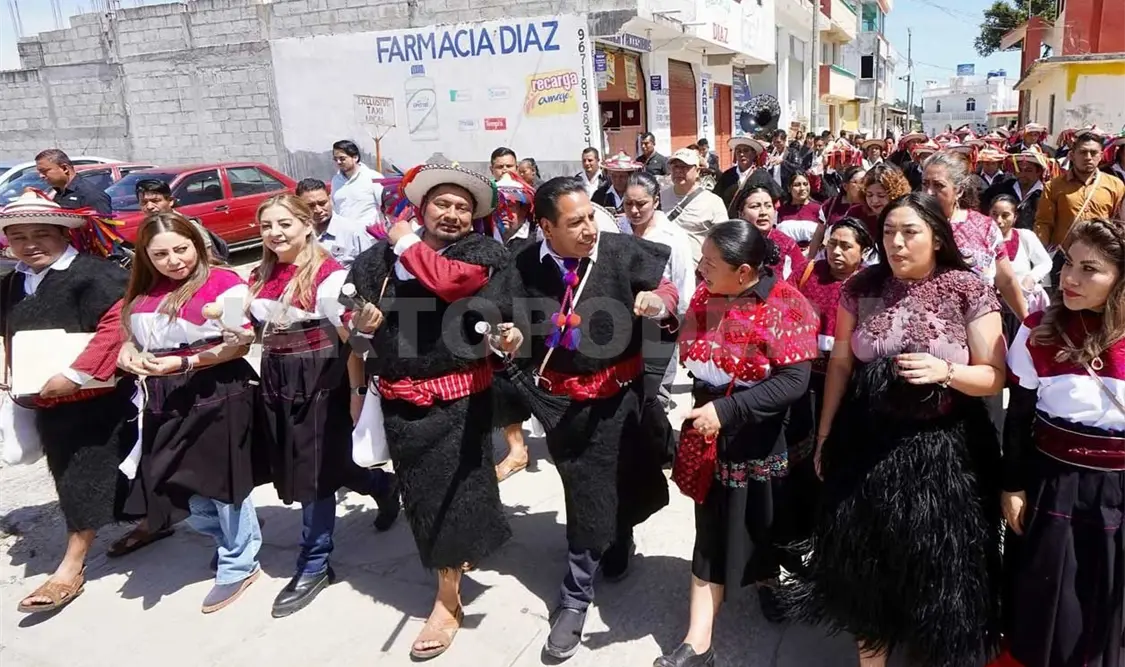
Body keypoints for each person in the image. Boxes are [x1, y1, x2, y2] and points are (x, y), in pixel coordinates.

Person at [785, 193, 1005, 667]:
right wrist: (824, 436)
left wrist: (944, 372)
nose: (897, 244)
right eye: (888, 233)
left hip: (946, 453)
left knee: (939, 577)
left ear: (937, 237)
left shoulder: (967, 288)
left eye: (910, 233)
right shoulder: (862, 286)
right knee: (867, 571)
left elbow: (994, 376)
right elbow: (841, 365)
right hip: (866, 446)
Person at [486, 177, 678, 660]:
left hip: (623, 398)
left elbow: (668, 290)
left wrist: (660, 303)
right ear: (546, 227)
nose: (591, 227)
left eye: (592, 215)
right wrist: (505, 337)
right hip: (565, 408)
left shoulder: (620, 250)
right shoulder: (523, 264)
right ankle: (577, 592)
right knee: (586, 492)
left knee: (625, 476)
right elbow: (493, 319)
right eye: (576, 222)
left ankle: (608, 551)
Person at [346, 164, 513, 659]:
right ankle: (452, 568)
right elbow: (352, 334)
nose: (454, 214)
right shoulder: (375, 262)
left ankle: (446, 600)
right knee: (424, 496)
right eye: (443, 203)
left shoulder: (482, 254)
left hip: (462, 399)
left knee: (457, 491)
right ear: (421, 207)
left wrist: (403, 243)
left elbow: (452, 283)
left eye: (464, 207)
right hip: (400, 398)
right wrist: (362, 324)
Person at [656, 221, 818, 667]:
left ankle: (767, 579)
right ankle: (698, 641)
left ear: (745, 271)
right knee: (709, 528)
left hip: (759, 434)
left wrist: (726, 413)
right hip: (708, 429)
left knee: (765, 520)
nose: (701, 269)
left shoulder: (787, 303)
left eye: (710, 263)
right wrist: (664, 316)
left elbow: (793, 381)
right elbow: (690, 338)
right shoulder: (708, 296)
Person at [248, 194, 400, 618]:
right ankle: (383, 487)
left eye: (285, 225)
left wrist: (356, 389)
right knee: (318, 460)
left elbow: (357, 342)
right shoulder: (262, 273)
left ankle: (314, 563)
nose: (275, 234)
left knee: (313, 471)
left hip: (320, 376)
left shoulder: (330, 277)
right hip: (277, 374)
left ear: (306, 225)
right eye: (266, 226)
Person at [116, 212, 262, 613]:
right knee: (173, 481)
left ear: (198, 246)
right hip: (163, 396)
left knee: (223, 483)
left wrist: (184, 364)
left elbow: (239, 345)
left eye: (181, 249)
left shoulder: (224, 283)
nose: (174, 261)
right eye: (160, 254)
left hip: (216, 389)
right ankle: (236, 538)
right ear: (146, 256)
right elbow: (127, 338)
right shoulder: (142, 291)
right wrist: (128, 353)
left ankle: (239, 562)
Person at [2, 192, 135, 615]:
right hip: (43, 399)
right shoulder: (10, 282)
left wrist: (76, 375)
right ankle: (152, 523)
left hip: (97, 398)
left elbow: (117, 325)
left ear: (64, 234)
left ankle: (70, 566)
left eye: (41, 234)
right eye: (18, 236)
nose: (30, 244)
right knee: (72, 468)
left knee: (84, 474)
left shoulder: (95, 274)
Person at [1001, 218, 1125, 667]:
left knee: (1108, 598)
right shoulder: (1039, 330)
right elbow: (1017, 416)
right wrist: (1012, 486)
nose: (1070, 278)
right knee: (1048, 597)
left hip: (1118, 490)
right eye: (1069, 263)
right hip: (1053, 482)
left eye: (1090, 269)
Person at [783, 217, 874, 557]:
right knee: (801, 458)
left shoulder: (870, 285)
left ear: (864, 250)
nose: (835, 251)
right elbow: (783, 309)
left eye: (846, 245)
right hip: (804, 383)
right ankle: (797, 533)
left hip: (848, 387)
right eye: (831, 243)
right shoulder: (807, 274)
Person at [622, 171, 695, 464]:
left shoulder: (673, 238)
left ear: (655, 201)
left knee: (655, 393)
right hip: (626, 324)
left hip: (663, 324)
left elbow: (684, 286)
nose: (635, 210)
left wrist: (683, 329)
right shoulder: (619, 230)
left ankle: (663, 452)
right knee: (632, 389)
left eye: (641, 204)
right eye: (629, 204)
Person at [922, 151, 1030, 323]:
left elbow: (1006, 281)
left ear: (958, 191)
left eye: (938, 185)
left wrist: (1027, 322)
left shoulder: (985, 227)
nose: (929, 192)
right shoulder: (914, 225)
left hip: (981, 325)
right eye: (925, 184)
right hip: (929, 326)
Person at [489, 172, 539, 482]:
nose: (506, 214)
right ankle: (517, 448)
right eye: (501, 207)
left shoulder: (536, 242)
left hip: (534, 319)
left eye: (514, 207)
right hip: (497, 322)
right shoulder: (486, 241)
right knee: (505, 383)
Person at [1035, 131, 1125, 254]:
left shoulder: (1116, 185)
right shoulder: (1053, 186)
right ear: (1072, 156)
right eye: (1083, 152)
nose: (1088, 157)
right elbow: (1044, 223)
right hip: (1063, 257)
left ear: (1101, 155)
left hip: (1100, 255)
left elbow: (1119, 224)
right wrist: (1040, 254)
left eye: (1093, 153)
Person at [990, 194, 1051, 341]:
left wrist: (1030, 278)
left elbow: (1045, 262)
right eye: (994, 214)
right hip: (993, 307)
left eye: (1005, 215)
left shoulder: (1025, 236)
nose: (999, 221)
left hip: (1020, 304)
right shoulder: (983, 239)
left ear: (1015, 217)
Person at [132, 179, 230, 264]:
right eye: (144, 202)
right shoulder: (148, 228)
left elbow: (210, 259)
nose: (149, 207)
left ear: (170, 201)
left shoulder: (189, 225)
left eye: (156, 201)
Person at [660, 148, 730, 266]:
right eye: (675, 167)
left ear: (697, 171)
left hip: (698, 274)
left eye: (684, 167)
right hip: (665, 271)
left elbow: (724, 240)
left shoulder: (714, 202)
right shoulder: (659, 198)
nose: (678, 171)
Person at [730, 181, 808, 283]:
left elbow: (802, 279)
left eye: (768, 206)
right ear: (741, 214)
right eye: (755, 206)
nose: (763, 212)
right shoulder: (730, 243)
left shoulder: (787, 245)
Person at [296, 177, 373, 266]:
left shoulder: (353, 232)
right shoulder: (297, 235)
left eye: (322, 203)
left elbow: (370, 267)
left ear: (330, 199)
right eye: (311, 206)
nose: (318, 210)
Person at [806, 165, 867, 258]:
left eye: (866, 182)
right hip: (831, 255)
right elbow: (818, 234)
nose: (863, 186)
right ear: (845, 186)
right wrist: (810, 258)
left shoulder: (870, 206)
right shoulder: (831, 204)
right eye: (858, 182)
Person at [35, 148, 111, 216]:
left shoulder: (91, 195)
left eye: (44, 171)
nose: (41, 176)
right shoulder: (59, 193)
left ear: (64, 168)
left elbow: (102, 229)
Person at [847, 163, 912, 239]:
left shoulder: (906, 215)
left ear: (894, 194)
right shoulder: (856, 213)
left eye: (881, 195)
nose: (874, 201)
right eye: (869, 195)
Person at [330, 140, 385, 228]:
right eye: (335, 159)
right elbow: (335, 207)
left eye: (342, 158)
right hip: (345, 236)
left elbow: (386, 206)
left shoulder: (373, 177)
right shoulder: (335, 180)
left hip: (370, 237)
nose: (338, 162)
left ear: (355, 157)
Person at [713, 136, 767, 209]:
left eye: (746, 151)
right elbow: (716, 198)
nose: (741, 154)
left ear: (754, 154)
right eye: (738, 151)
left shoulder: (762, 176)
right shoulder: (727, 175)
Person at [776, 172, 822, 247]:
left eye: (805, 184)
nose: (802, 188)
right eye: (797, 185)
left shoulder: (819, 209)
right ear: (789, 188)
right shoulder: (780, 211)